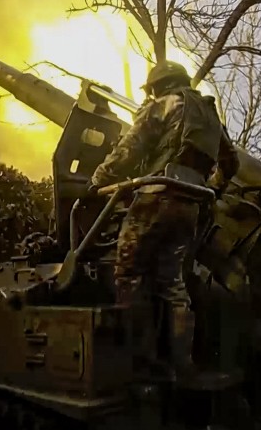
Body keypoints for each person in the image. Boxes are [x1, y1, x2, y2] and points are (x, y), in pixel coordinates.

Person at [85, 60, 239, 378]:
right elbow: (231, 161)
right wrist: (212, 189)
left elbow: (129, 148)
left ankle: (136, 359)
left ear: (158, 86)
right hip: (191, 206)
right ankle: (182, 363)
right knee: (172, 282)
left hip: (156, 197)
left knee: (128, 272)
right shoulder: (210, 115)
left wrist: (97, 181)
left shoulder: (163, 104)